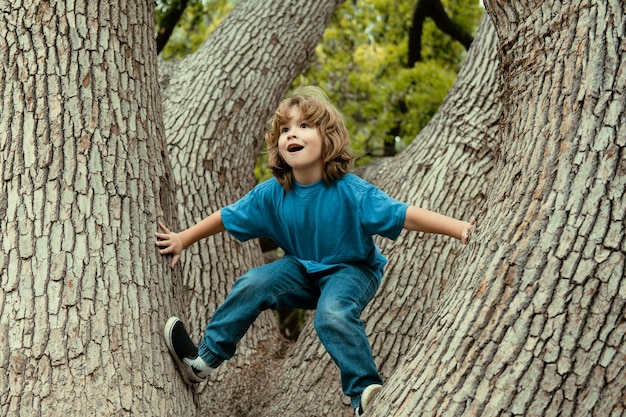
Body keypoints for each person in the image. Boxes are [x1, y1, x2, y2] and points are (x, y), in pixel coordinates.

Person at [155, 85, 475, 416]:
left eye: (304, 126)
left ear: (328, 138)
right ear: (279, 145)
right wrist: (183, 238)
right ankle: (203, 362)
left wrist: (460, 228)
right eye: (285, 129)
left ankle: (364, 392)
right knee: (253, 282)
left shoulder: (352, 191)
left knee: (332, 314)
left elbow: (404, 214)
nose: (292, 134)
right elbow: (226, 216)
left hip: (352, 271)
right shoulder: (271, 194)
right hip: (301, 270)